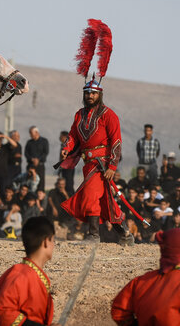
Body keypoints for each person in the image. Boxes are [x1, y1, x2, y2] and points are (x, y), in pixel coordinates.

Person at [59, 77, 132, 243]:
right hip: (87, 164)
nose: (90, 96)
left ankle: (93, 235)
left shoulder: (109, 115)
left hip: (102, 165)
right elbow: (73, 136)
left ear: (100, 94)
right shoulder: (79, 115)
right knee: (105, 202)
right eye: (87, 93)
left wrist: (112, 166)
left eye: (93, 93)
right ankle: (124, 233)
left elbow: (116, 142)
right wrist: (66, 148)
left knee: (90, 196)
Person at [0, 216, 57, 326]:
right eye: (53, 240)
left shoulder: (33, 274)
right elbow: (4, 312)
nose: (54, 245)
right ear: (46, 242)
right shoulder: (20, 275)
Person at [25, 126, 49, 191]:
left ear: (36, 132)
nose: (30, 135)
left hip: (40, 166)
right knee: (29, 183)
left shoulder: (44, 141)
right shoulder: (29, 142)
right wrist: (32, 159)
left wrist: (38, 159)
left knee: (40, 185)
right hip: (31, 166)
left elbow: (45, 152)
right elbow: (26, 153)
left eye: (31, 133)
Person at [58, 131, 76, 195]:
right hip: (64, 167)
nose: (59, 137)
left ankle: (71, 198)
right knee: (65, 184)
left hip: (68, 167)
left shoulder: (69, 145)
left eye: (61, 136)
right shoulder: (63, 145)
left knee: (69, 185)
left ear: (64, 137)